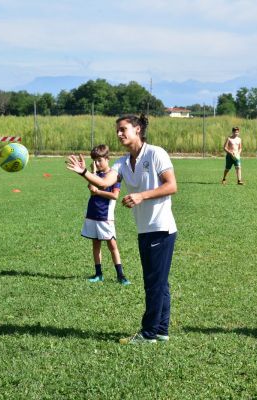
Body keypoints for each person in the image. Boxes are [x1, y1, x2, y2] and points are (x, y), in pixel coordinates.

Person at [66, 113, 177, 345]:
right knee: (159, 281)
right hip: (144, 229)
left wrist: (141, 196)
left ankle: (148, 334)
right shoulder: (124, 162)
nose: (118, 134)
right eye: (117, 130)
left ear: (137, 129)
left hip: (161, 227)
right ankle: (161, 330)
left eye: (123, 129)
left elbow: (171, 185)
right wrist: (84, 173)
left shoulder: (156, 153)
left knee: (153, 282)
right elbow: (106, 182)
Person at [81, 144, 130, 286]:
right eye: (94, 161)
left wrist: (98, 192)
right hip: (92, 214)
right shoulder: (94, 176)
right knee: (95, 245)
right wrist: (93, 173)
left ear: (107, 159)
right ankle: (98, 274)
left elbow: (114, 196)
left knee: (112, 245)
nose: (97, 163)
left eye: (99, 160)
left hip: (105, 216)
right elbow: (91, 190)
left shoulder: (114, 176)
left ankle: (120, 275)